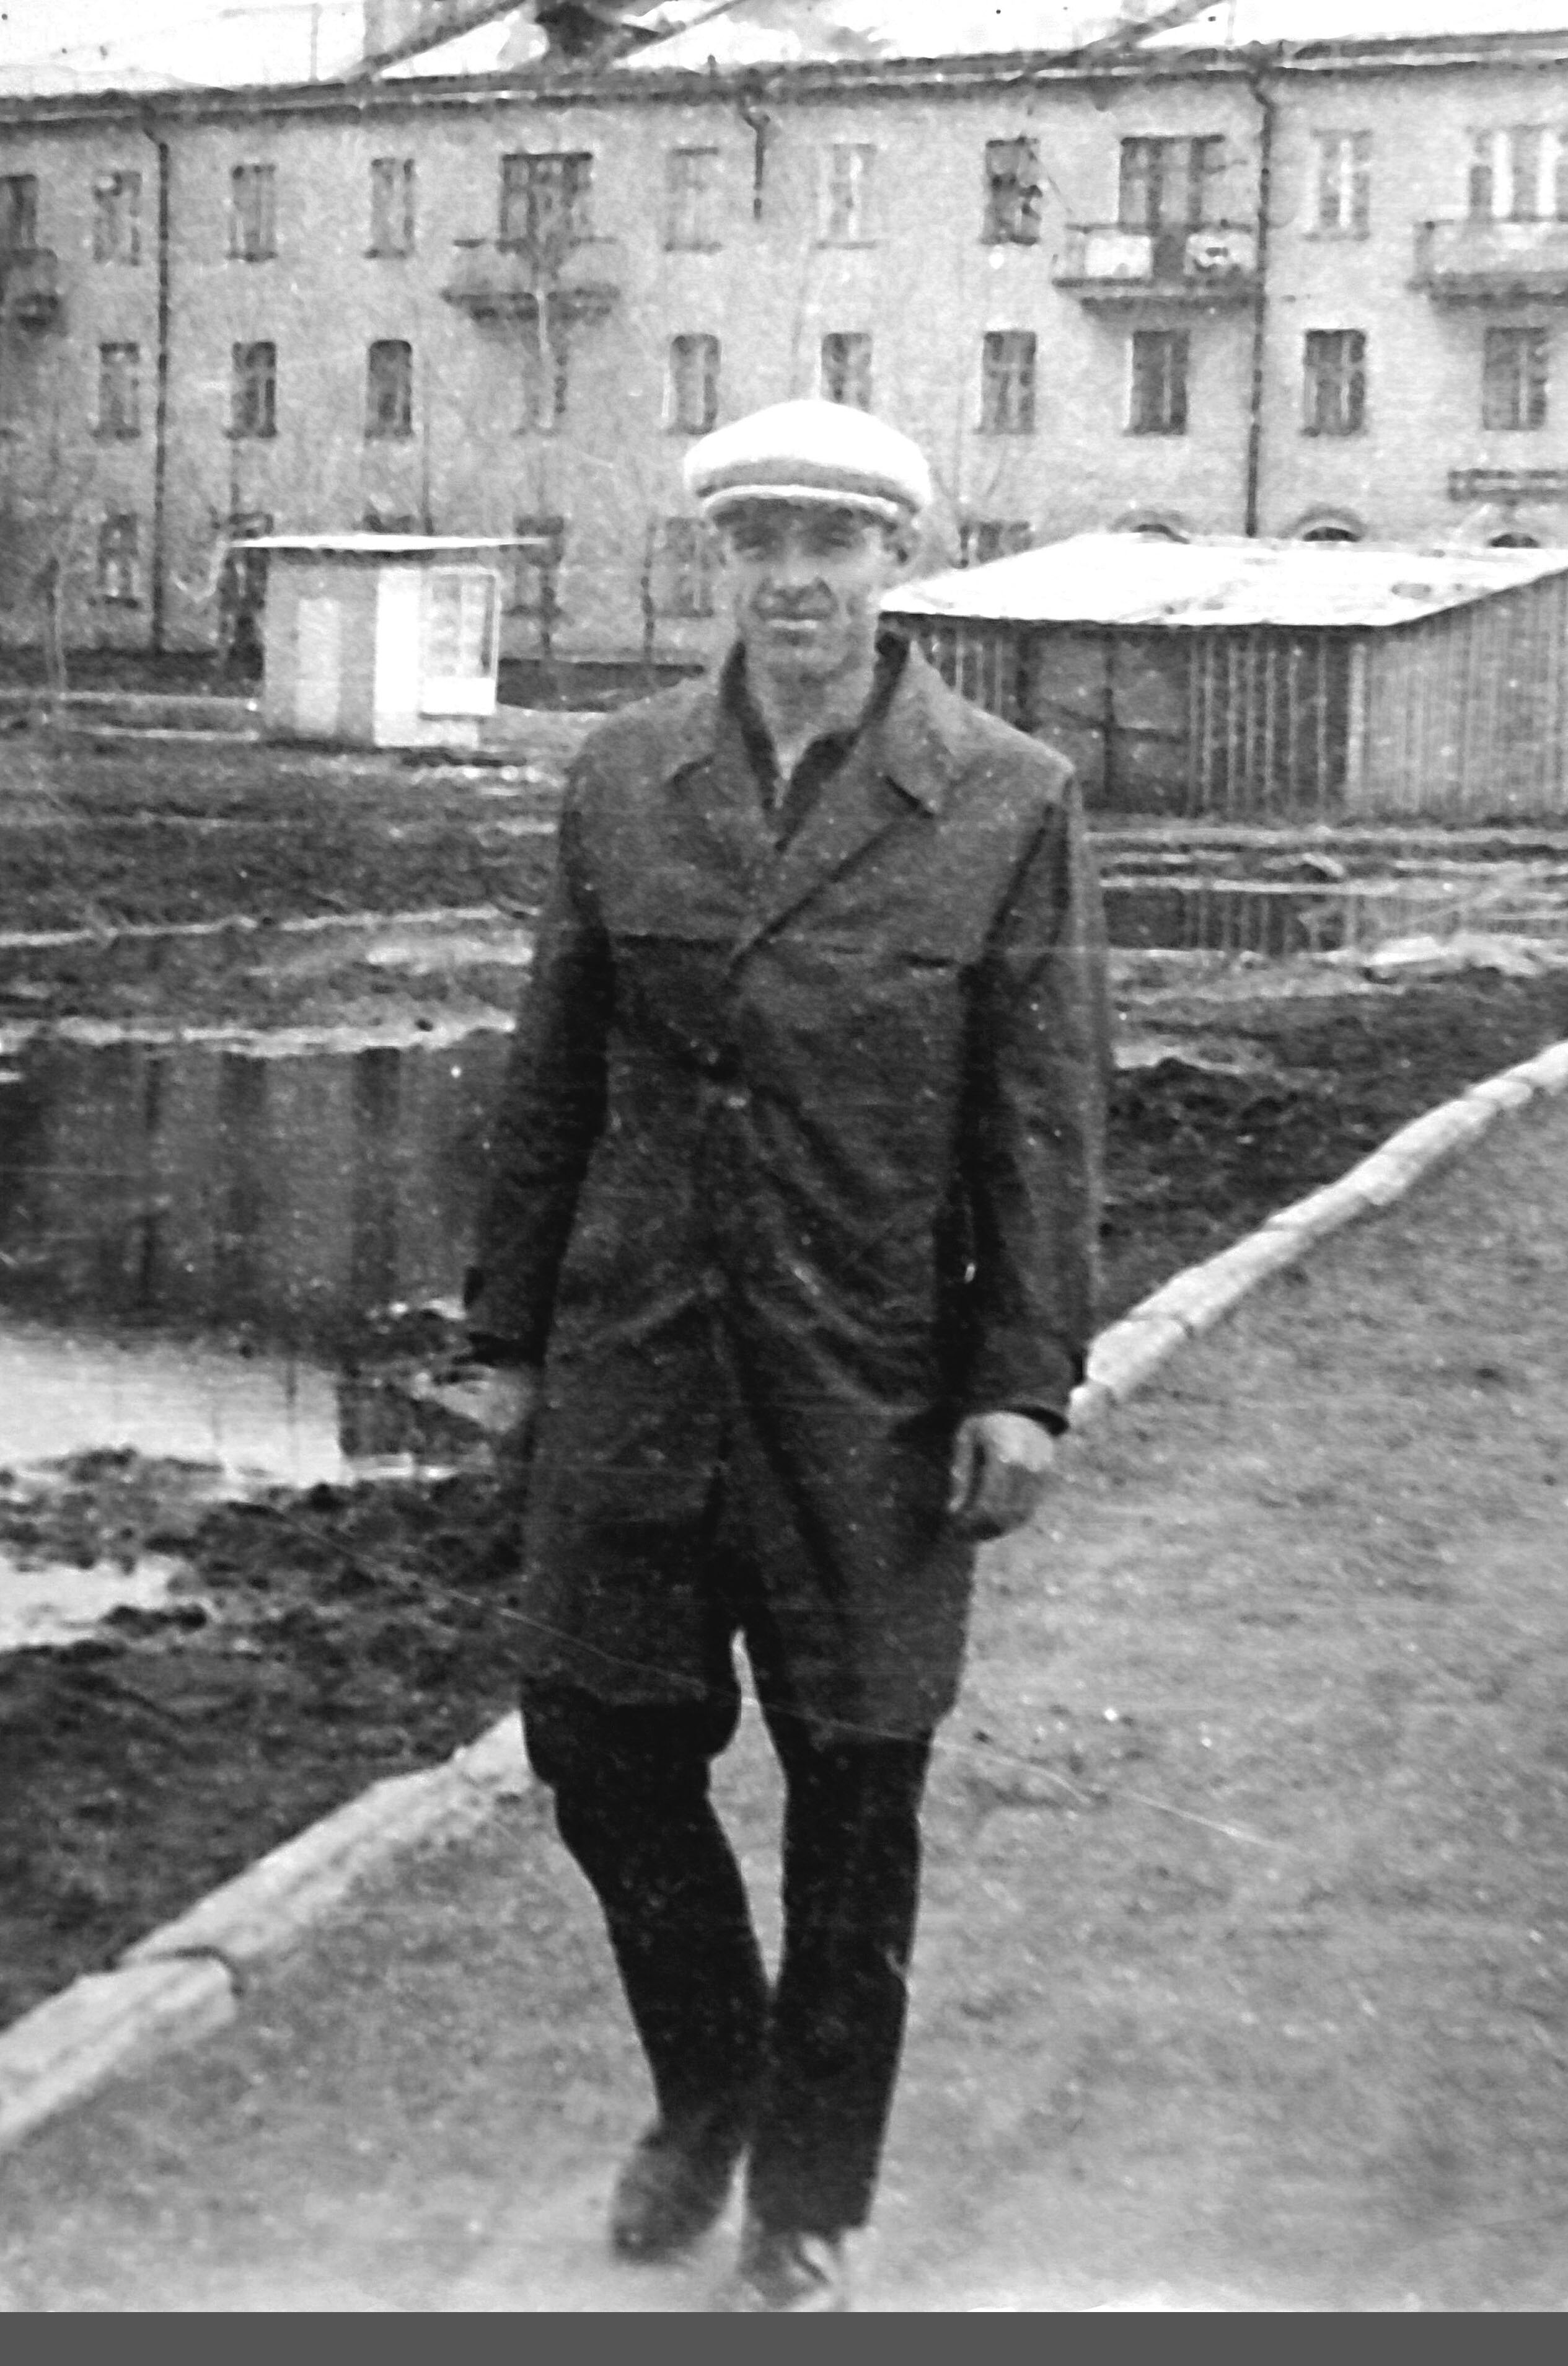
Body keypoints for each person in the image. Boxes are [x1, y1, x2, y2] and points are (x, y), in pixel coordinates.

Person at [462, 397, 1106, 2311]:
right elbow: (552, 1074)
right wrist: (507, 1339)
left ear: (898, 560)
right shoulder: (624, 777)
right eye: (759, 545)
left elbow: (1042, 1121)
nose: (793, 580)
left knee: (855, 1793)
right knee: (599, 1749)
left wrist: (1022, 1380)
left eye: (831, 544)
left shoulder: (1004, 798)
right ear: (720, 564)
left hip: (867, 1386)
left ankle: (804, 2198)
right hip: (639, 1362)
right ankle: (709, 2086)